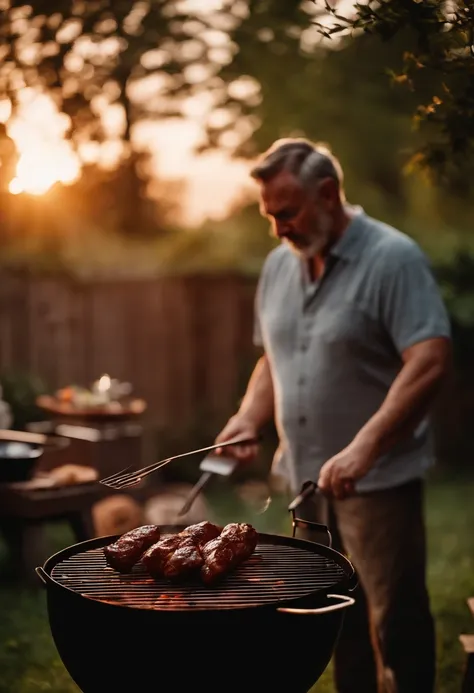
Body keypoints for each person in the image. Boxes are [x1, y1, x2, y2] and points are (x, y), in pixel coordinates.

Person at [215, 138, 452, 693]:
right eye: (269, 216)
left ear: (327, 195)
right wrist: (247, 416)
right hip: (306, 483)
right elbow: (276, 357)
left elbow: (430, 357)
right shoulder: (279, 266)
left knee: (397, 625)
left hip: (378, 484)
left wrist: (364, 448)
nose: (278, 229)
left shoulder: (393, 259)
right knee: (331, 620)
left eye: (288, 212)